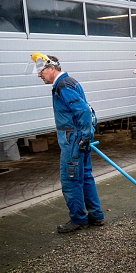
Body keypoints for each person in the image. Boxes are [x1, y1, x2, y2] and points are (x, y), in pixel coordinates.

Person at [31, 53, 105, 233]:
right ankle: (96, 215)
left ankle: (79, 219)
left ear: (51, 68)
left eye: (41, 71)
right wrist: (86, 137)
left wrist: (85, 137)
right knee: (85, 176)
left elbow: (84, 113)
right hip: (78, 138)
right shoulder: (70, 82)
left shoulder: (63, 86)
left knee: (71, 180)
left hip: (73, 140)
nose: (39, 75)